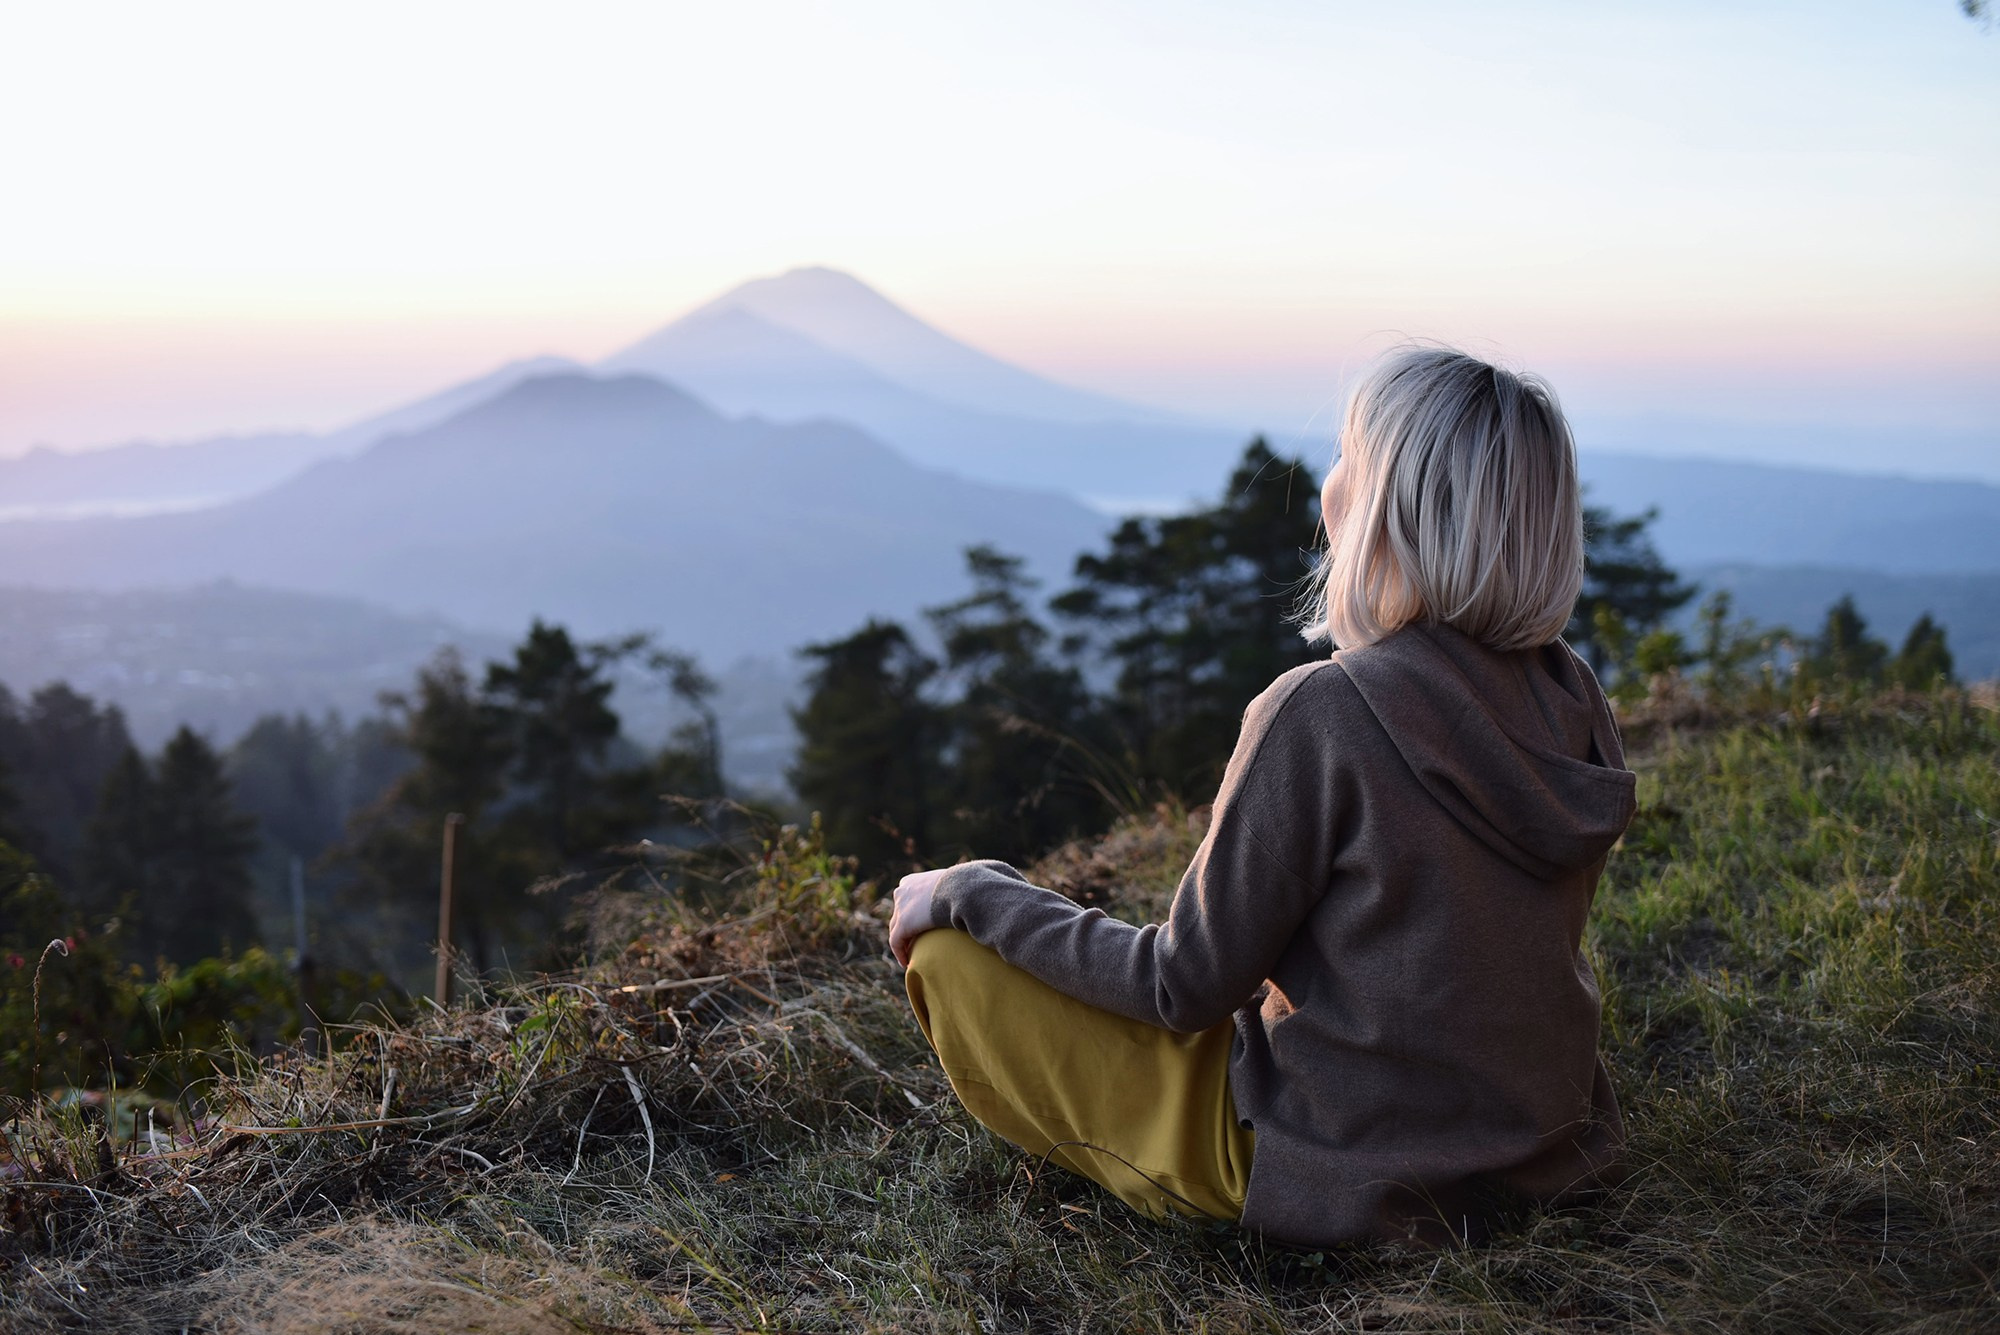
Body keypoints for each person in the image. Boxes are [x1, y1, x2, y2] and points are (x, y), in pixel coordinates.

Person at [886, 344, 1636, 1249]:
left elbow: (1179, 983)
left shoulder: (1325, 709)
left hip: (1344, 1168)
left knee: (950, 956)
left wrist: (971, 888)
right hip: (1543, 1149)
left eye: (1348, 460)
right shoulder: (1572, 696)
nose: (1328, 482)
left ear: (1384, 511)